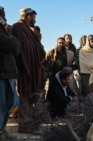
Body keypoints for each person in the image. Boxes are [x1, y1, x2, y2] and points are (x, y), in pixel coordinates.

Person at [11, 7, 46, 133]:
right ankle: (24, 126)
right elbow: (21, 49)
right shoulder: (17, 28)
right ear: (28, 16)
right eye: (33, 17)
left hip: (33, 68)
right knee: (24, 98)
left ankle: (29, 124)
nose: (35, 19)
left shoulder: (28, 30)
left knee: (30, 99)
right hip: (24, 69)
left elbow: (35, 47)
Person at [0, 6, 21, 139]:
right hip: (1, 74)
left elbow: (16, 50)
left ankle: (1, 130)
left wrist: (12, 41)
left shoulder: (4, 30)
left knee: (7, 104)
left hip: (7, 73)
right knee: (1, 104)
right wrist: (13, 41)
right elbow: (12, 45)